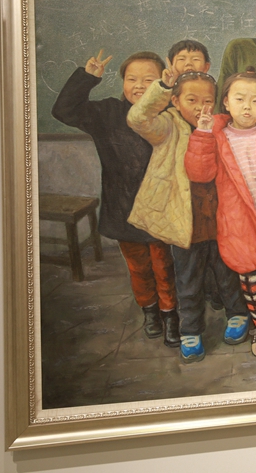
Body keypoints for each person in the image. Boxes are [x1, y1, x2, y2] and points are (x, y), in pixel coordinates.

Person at [127, 44, 249, 364]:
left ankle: (237, 314)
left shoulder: (222, 125)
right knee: (188, 280)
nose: (200, 107)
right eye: (191, 100)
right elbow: (138, 117)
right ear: (176, 101)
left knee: (227, 274)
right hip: (185, 222)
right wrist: (162, 88)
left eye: (207, 101)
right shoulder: (167, 125)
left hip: (220, 220)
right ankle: (191, 330)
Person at [51, 49, 179, 347]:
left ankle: (171, 315)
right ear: (122, 82)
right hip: (123, 207)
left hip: (162, 207)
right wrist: (87, 78)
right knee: (138, 267)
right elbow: (63, 111)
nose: (139, 86)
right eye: (132, 79)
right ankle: (150, 312)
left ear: (162, 81)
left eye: (148, 79)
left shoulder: (169, 114)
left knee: (164, 266)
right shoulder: (107, 113)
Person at [185, 69, 256, 357]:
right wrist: (202, 134)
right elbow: (199, 173)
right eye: (240, 99)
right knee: (251, 283)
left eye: (255, 101)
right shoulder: (216, 135)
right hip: (239, 227)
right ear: (226, 102)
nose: (247, 107)